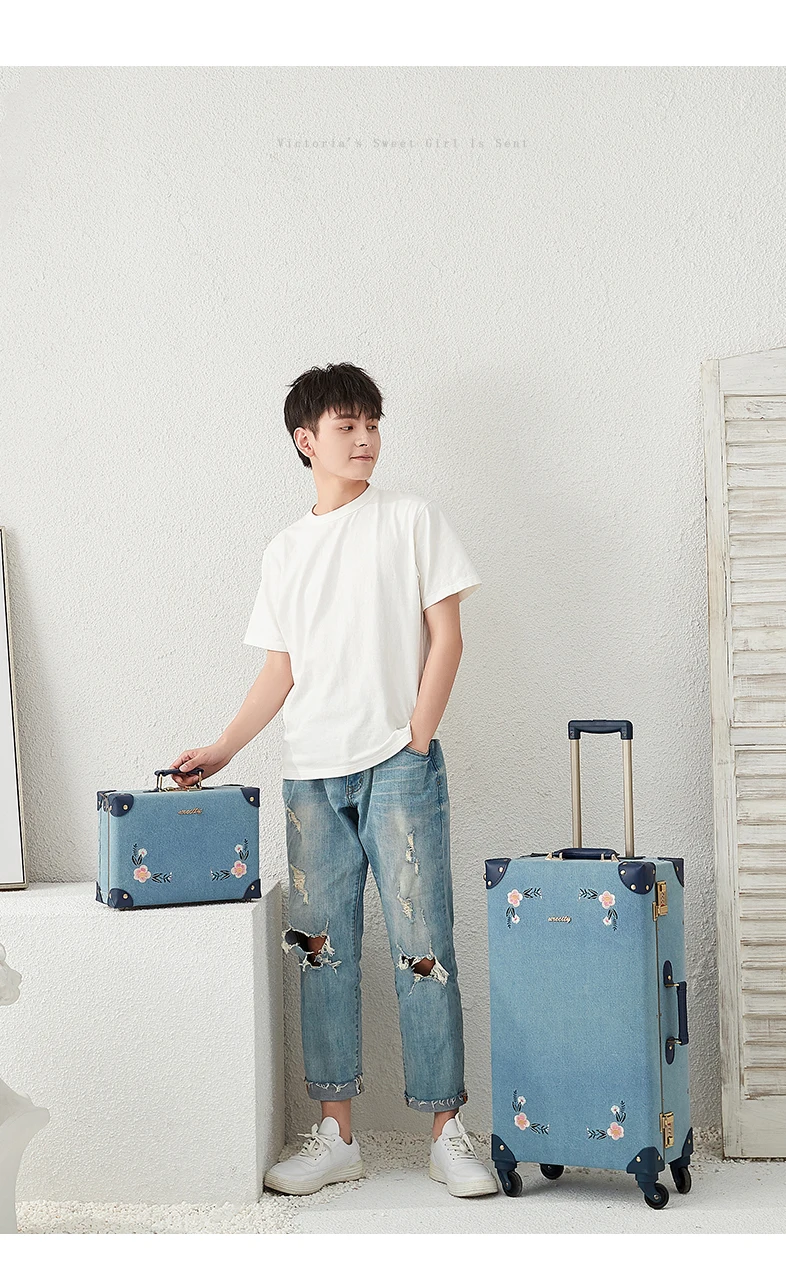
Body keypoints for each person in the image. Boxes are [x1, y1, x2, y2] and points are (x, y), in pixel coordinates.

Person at [170, 362, 496, 1199]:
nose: (366, 439)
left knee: (425, 945)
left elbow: (448, 636)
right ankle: (337, 1135)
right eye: (348, 425)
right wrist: (224, 748)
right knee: (322, 952)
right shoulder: (284, 551)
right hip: (310, 775)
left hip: (398, 763)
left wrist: (417, 737)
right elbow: (279, 672)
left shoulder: (412, 519)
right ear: (305, 440)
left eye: (373, 424)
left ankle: (446, 1131)